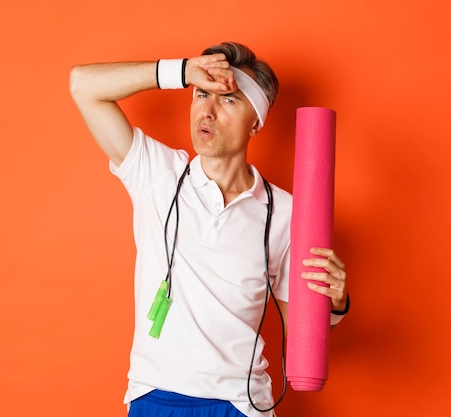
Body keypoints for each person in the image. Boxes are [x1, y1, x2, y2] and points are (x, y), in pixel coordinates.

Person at [70, 41, 349, 417]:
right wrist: (182, 71)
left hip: (242, 405)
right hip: (156, 397)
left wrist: (334, 305)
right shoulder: (156, 172)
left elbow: (300, 338)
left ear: (256, 123)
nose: (208, 110)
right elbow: (83, 86)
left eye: (229, 99)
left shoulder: (287, 214)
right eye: (202, 93)